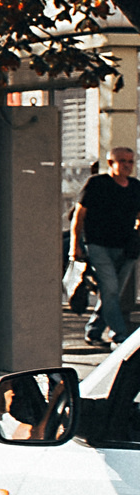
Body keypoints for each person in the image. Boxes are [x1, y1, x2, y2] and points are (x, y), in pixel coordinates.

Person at [73, 147, 140, 348]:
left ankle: (94, 330)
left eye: (130, 161)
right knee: (110, 288)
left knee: (113, 293)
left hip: (126, 248)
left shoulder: (135, 187)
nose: (127, 165)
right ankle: (119, 334)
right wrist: (75, 245)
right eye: (122, 161)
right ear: (111, 163)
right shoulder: (97, 184)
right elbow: (79, 215)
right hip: (98, 245)